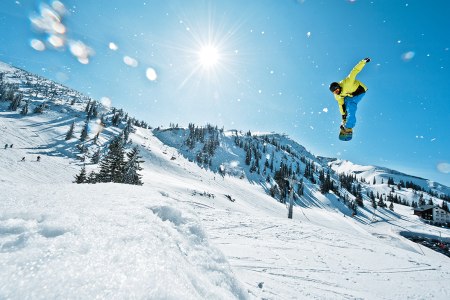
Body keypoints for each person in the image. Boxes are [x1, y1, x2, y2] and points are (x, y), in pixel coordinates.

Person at [329, 57, 370, 132]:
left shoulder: (347, 81)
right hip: (349, 95)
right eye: (335, 92)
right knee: (344, 103)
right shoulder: (337, 95)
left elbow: (355, 70)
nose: (337, 92)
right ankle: (346, 119)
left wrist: (363, 62)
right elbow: (341, 104)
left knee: (351, 104)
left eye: (337, 90)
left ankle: (349, 126)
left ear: (339, 86)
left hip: (360, 91)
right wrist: (343, 115)